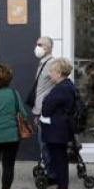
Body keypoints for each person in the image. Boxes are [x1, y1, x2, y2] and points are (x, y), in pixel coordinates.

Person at [39, 57, 77, 189]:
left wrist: (45, 103)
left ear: (59, 72)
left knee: (59, 161)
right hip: (60, 129)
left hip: (57, 131)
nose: (50, 74)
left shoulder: (62, 88)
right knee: (60, 160)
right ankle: (62, 188)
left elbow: (46, 108)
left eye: (52, 71)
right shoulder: (67, 85)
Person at [27, 36, 57, 181]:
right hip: (40, 110)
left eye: (40, 44)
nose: (37, 47)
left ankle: (52, 174)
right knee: (43, 143)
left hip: (45, 112)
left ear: (48, 47)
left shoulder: (52, 64)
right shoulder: (43, 63)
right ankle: (49, 168)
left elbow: (56, 86)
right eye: (37, 44)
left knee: (45, 144)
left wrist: (41, 112)